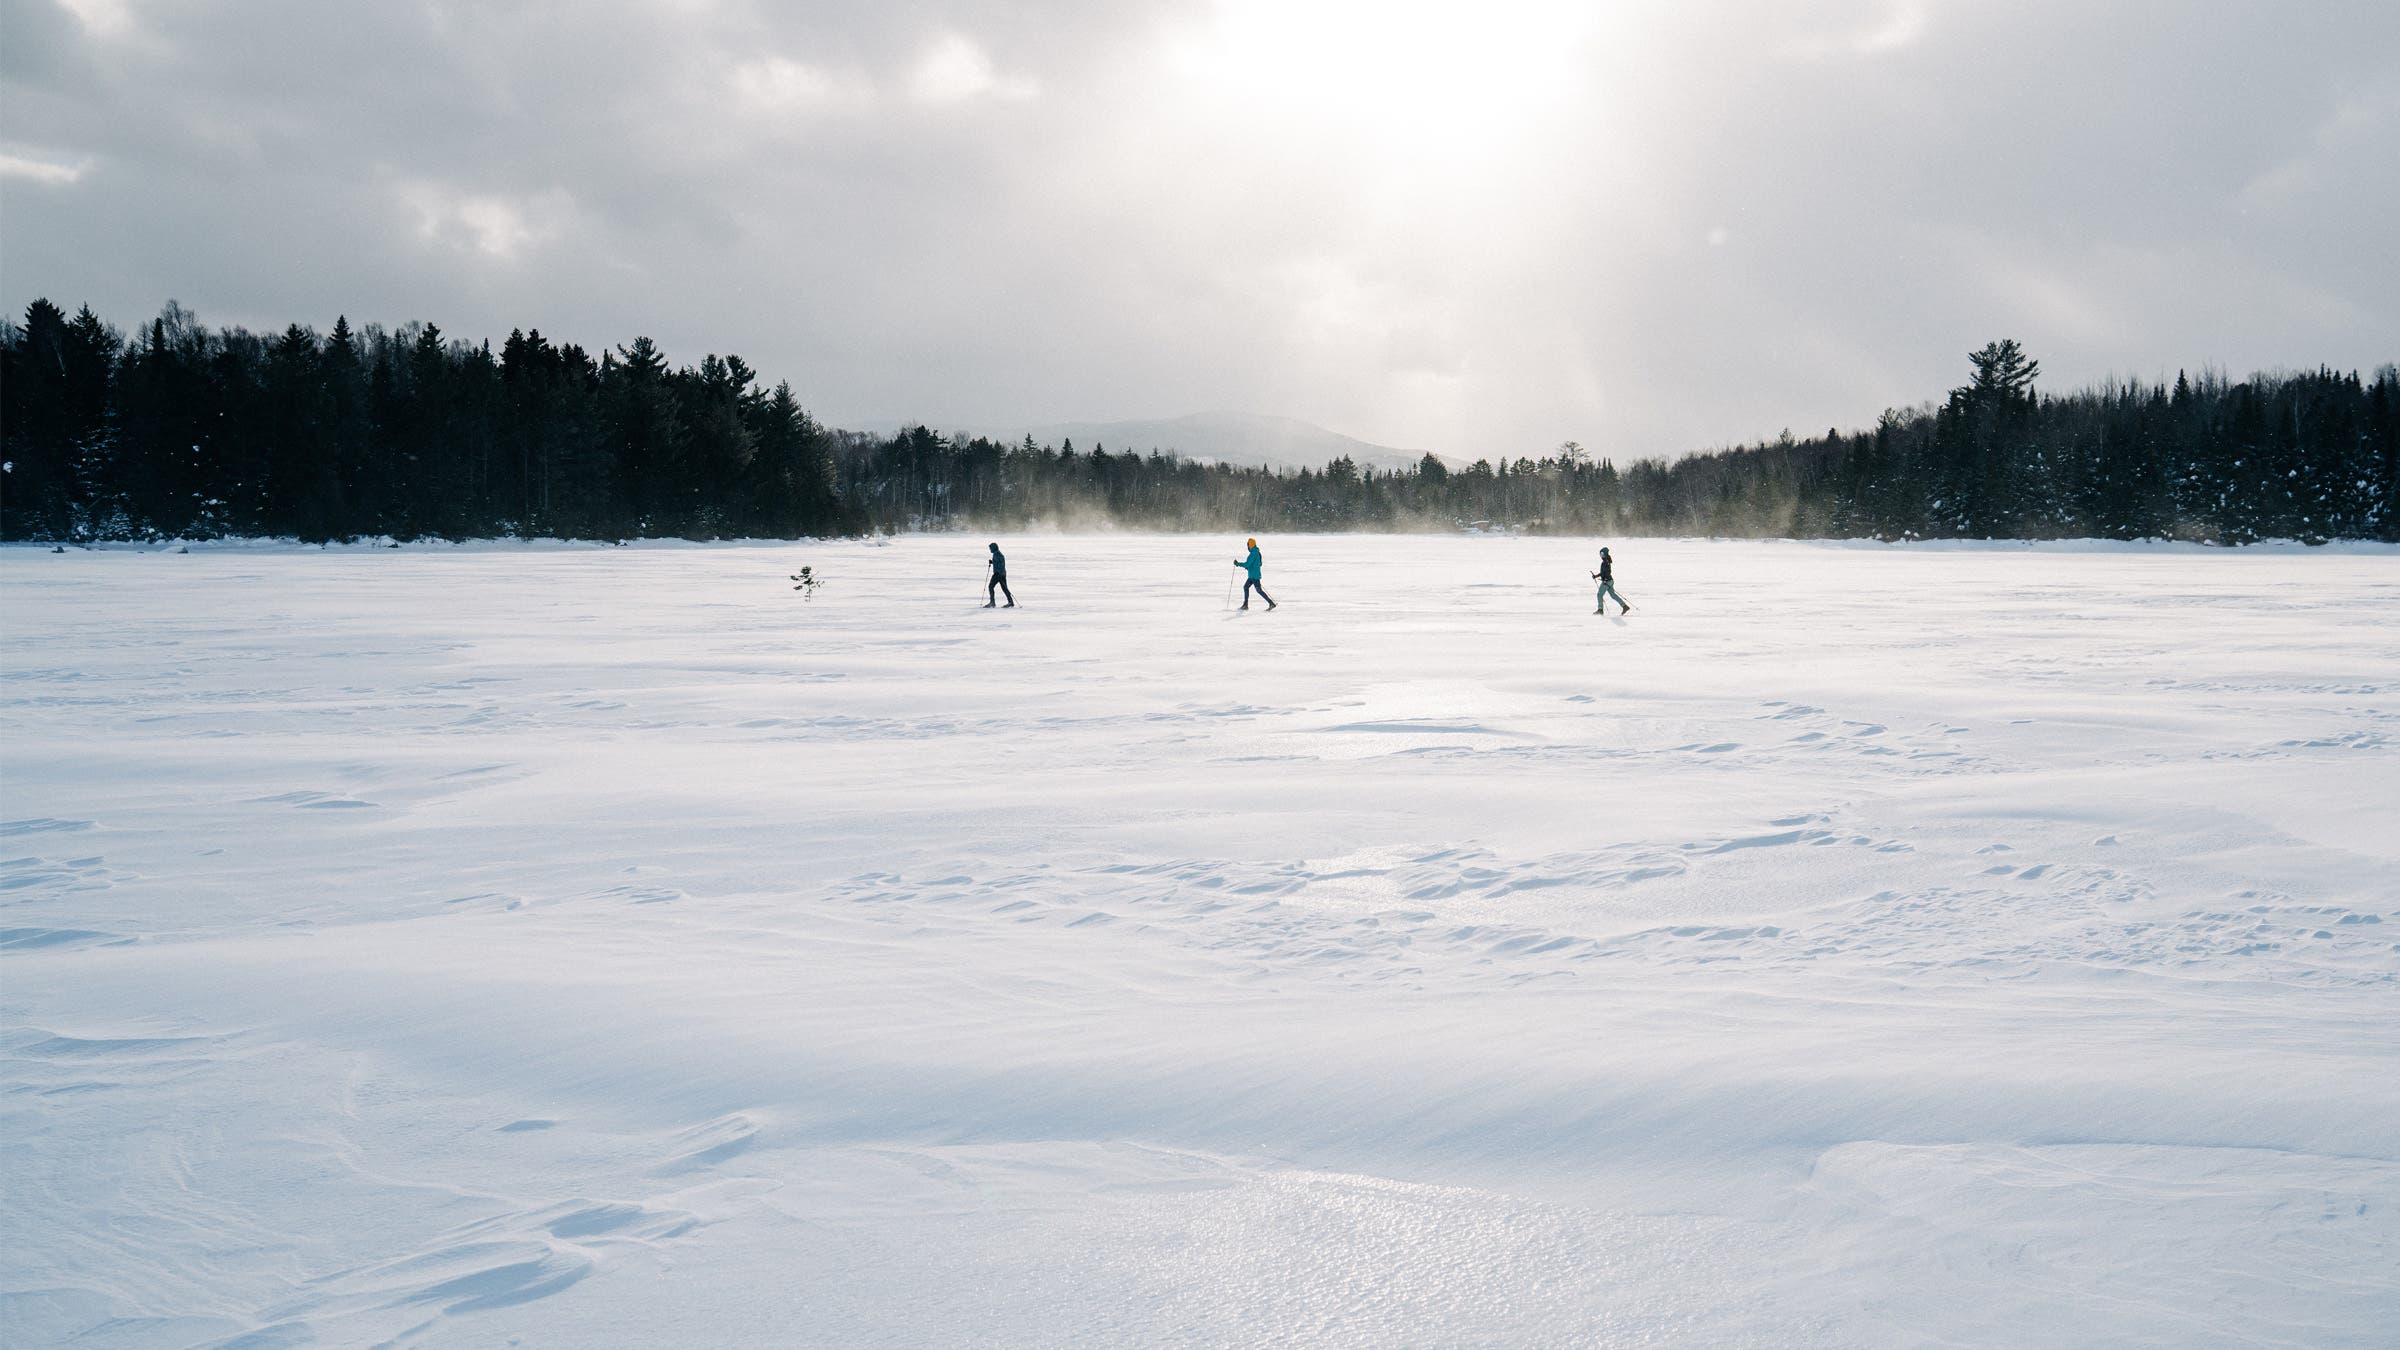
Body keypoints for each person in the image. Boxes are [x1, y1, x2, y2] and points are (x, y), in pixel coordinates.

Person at [1235, 537, 1276, 610]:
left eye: (1248, 545)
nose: (1247, 547)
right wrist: (1251, 567)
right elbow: (1259, 564)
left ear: (1250, 545)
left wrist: (1238, 564)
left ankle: (1271, 603)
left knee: (1259, 590)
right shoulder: (1257, 553)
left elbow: (1247, 564)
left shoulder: (1253, 554)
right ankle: (1245, 605)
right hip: (1253, 575)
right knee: (1246, 587)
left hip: (1254, 576)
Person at [1591, 546, 1631, 615]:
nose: (1601, 555)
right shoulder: (1605, 561)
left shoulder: (1606, 562)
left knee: (1599, 595)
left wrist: (1605, 579)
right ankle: (1624, 606)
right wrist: (1596, 576)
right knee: (1613, 595)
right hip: (1610, 581)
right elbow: (1603, 572)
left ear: (1605, 554)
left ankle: (1600, 610)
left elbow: (1608, 572)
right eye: (1600, 554)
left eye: (1602, 554)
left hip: (1607, 581)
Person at [985, 542, 1015, 608]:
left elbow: (1001, 565)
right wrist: (992, 562)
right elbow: (998, 563)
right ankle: (1010, 602)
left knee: (991, 586)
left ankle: (992, 603)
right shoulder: (996, 554)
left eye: (990, 548)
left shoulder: (998, 554)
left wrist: (999, 573)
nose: (990, 550)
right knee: (1004, 588)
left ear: (994, 548)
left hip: (998, 574)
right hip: (1001, 574)